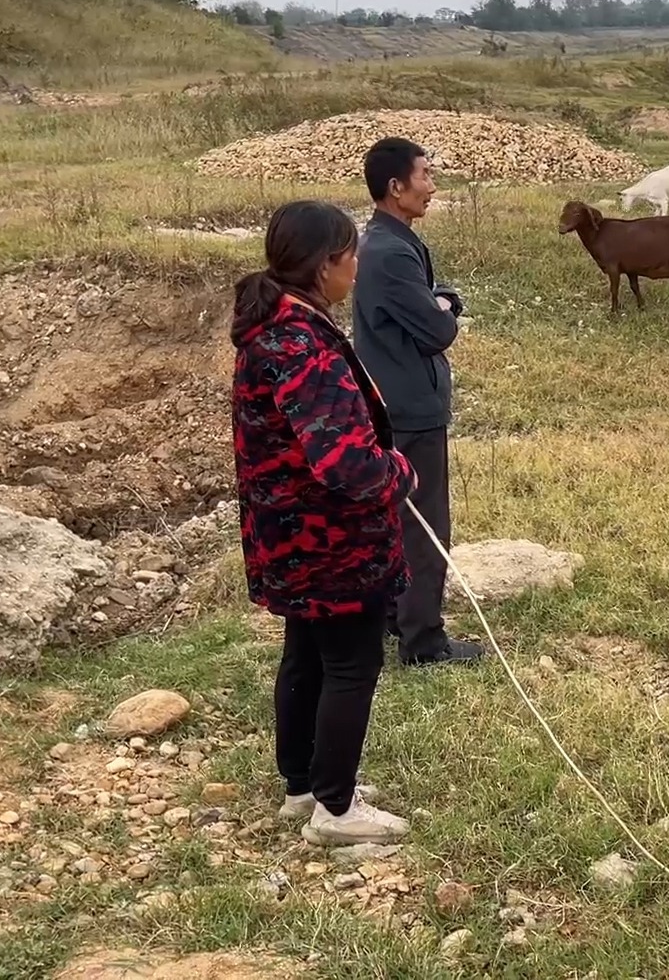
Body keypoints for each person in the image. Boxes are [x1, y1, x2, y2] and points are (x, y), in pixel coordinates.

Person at [232, 199, 417, 846]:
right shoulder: (302, 345)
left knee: (306, 656)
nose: (357, 264)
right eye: (351, 253)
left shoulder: (277, 327)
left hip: (288, 535)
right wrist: (400, 472)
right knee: (348, 665)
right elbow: (347, 466)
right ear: (326, 264)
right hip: (332, 545)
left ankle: (305, 785)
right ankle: (334, 811)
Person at [353, 137, 484, 668]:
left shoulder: (389, 243)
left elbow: (430, 309)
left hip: (393, 400)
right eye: (425, 175)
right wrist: (445, 306)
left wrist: (439, 301)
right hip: (409, 407)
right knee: (424, 524)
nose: (432, 186)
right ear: (396, 186)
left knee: (395, 518)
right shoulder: (388, 252)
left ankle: (393, 617)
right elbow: (436, 331)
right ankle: (424, 641)